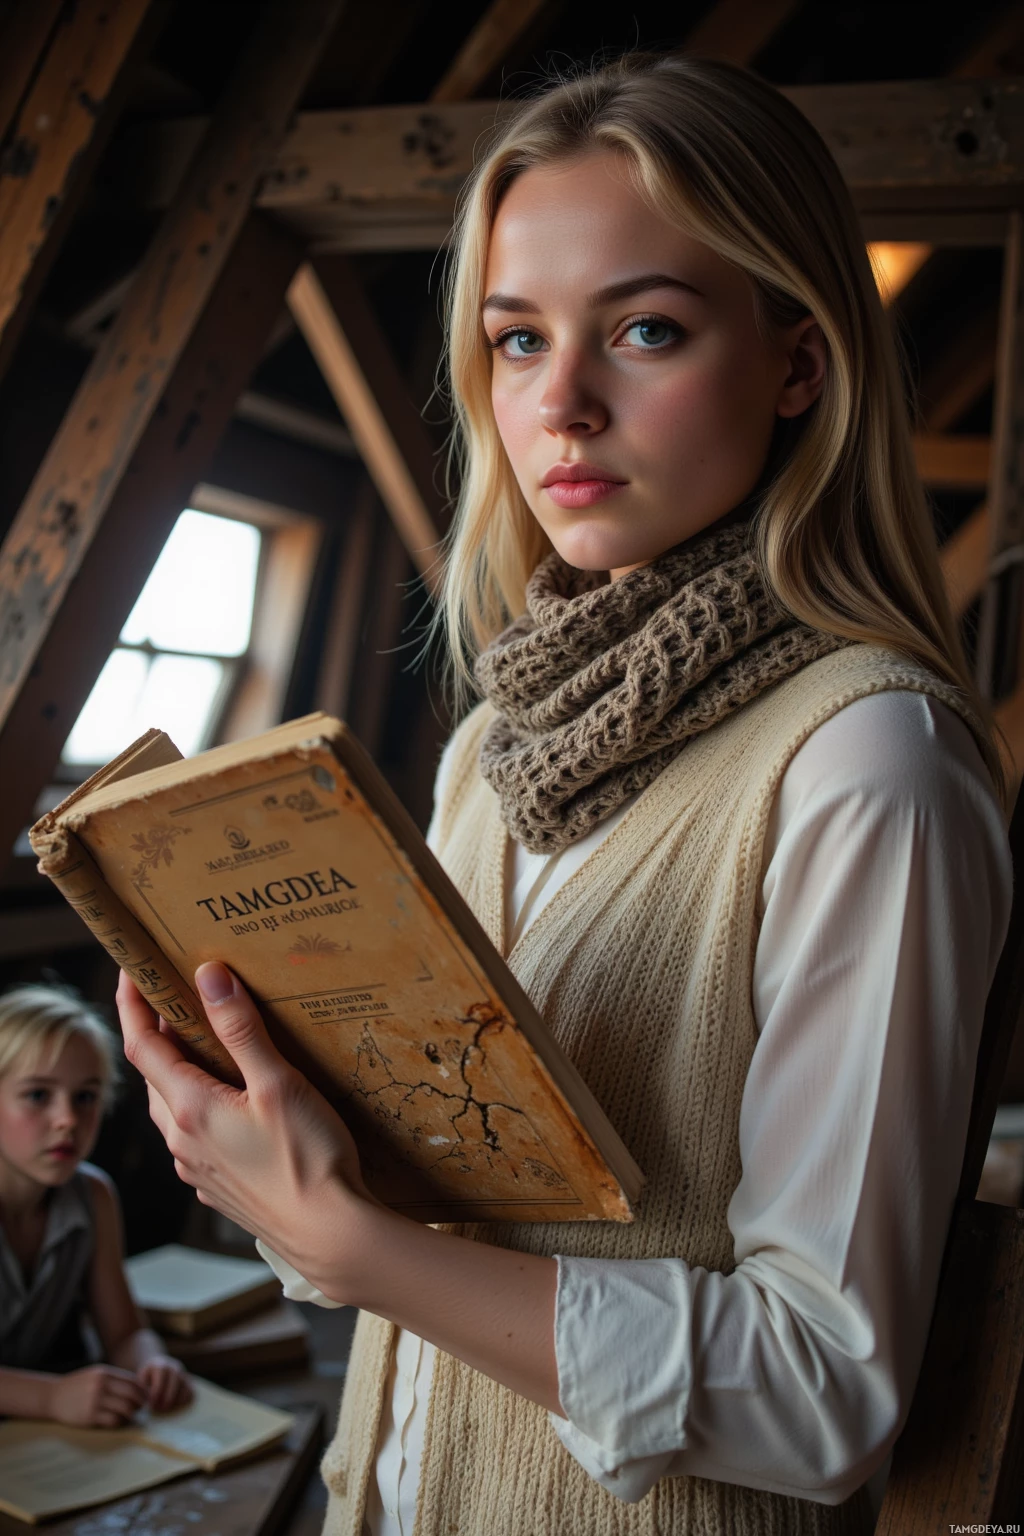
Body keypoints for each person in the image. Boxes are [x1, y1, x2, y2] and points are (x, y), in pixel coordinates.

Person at [115, 52, 1012, 1536]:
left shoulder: (869, 763)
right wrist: (272, 1155)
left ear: (800, 365)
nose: (564, 405)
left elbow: (824, 1393)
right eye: (516, 341)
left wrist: (345, 1247)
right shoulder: (490, 750)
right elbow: (434, 1209)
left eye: (645, 329)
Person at [0, 984, 191, 1425]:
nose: (67, 1118)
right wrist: (50, 1399)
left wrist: (151, 1363)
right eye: (37, 1095)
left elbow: (123, 1332)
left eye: (85, 1096)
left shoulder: (92, 1195)